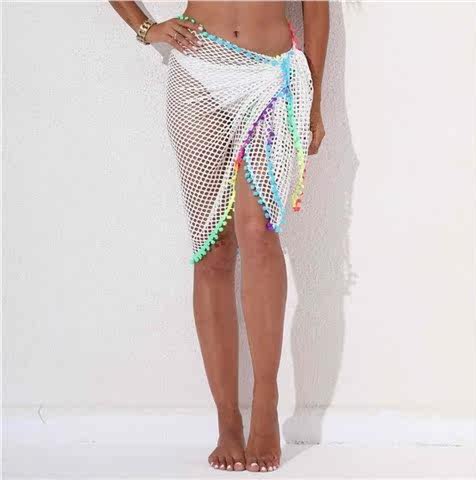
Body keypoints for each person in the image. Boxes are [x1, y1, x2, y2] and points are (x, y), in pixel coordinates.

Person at [110, 1, 329, 472]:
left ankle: (266, 402)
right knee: (213, 248)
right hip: (198, 75)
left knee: (259, 234)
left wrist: (315, 100)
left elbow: (316, 11)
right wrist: (145, 28)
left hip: (272, 79)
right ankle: (228, 419)